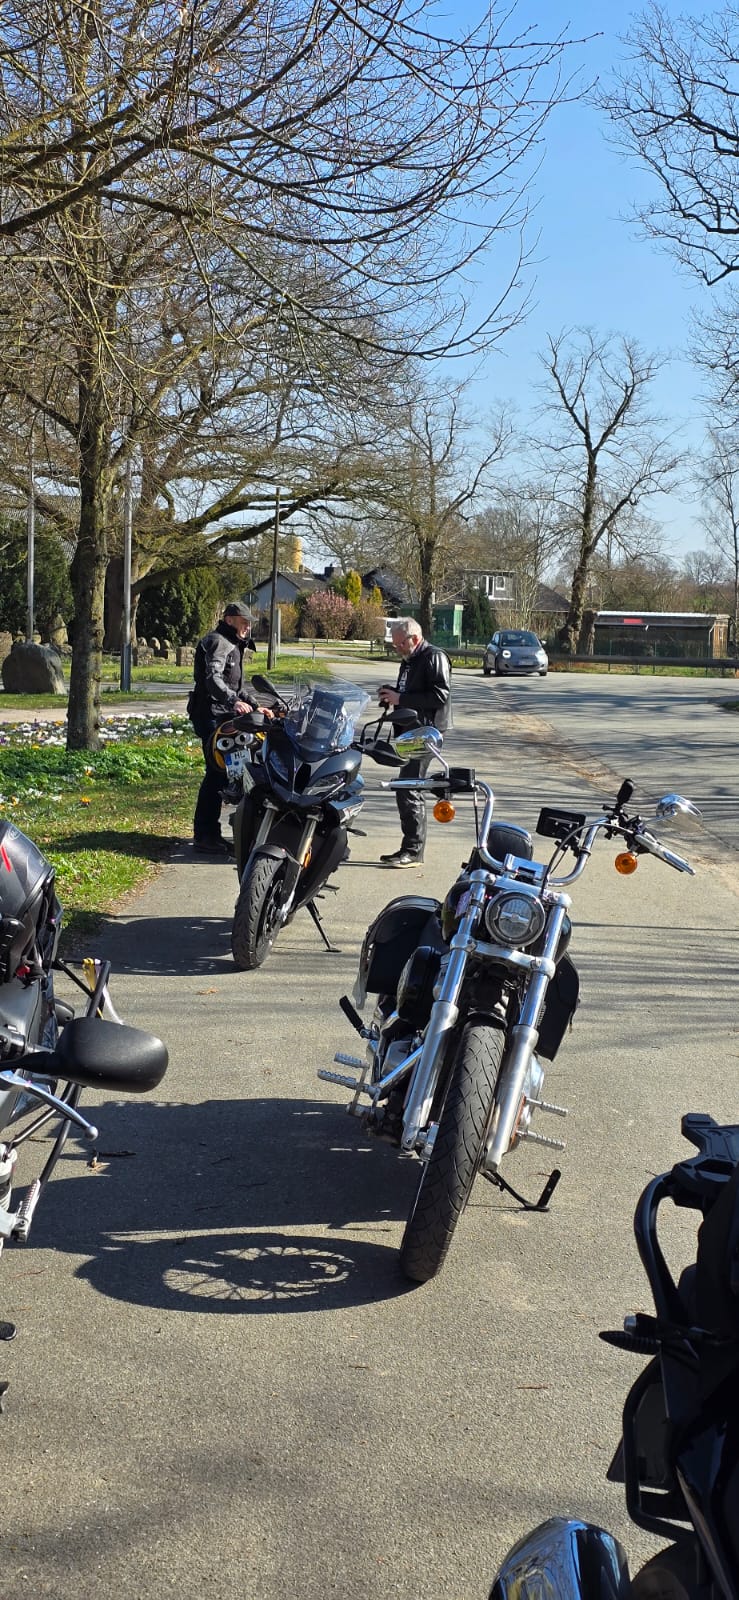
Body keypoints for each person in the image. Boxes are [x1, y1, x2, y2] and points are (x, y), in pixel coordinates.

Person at [187, 602, 265, 855]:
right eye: (244, 621)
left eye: (249, 623)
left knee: (228, 773)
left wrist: (256, 705)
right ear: (230, 619)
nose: (248, 626)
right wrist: (233, 701)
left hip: (223, 714)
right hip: (211, 715)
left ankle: (211, 833)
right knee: (216, 774)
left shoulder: (232, 642)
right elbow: (213, 679)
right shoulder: (218, 642)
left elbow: (235, 686)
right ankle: (205, 835)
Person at [377, 617, 451, 867]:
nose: (397, 648)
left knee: (409, 786)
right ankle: (409, 848)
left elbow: (440, 695)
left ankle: (413, 851)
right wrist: (392, 694)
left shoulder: (434, 657)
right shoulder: (410, 659)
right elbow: (410, 691)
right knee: (406, 785)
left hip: (428, 732)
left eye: (400, 644)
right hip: (412, 730)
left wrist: (401, 699)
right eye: (394, 644)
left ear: (415, 639)